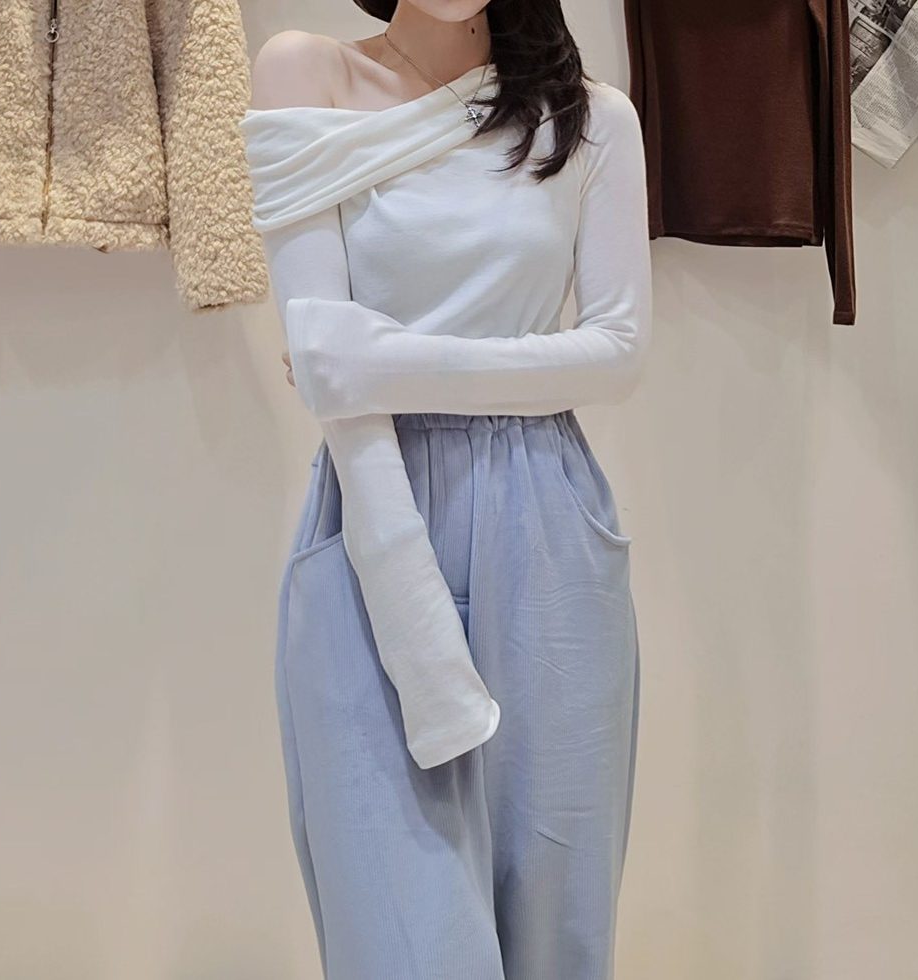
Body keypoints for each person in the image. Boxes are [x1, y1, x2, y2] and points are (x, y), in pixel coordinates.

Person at [240, 2, 652, 977]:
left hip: (546, 520)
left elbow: (618, 351)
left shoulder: (592, 117)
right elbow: (330, 373)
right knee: (404, 941)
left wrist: (381, 364)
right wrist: (358, 377)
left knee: (555, 928)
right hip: (370, 504)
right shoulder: (306, 73)